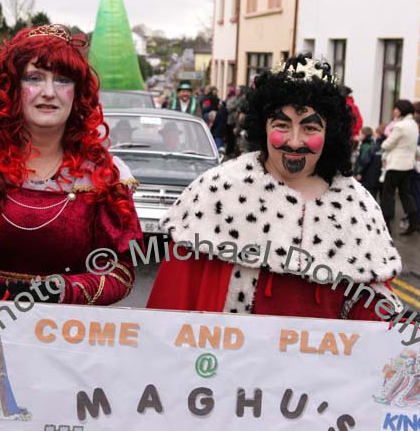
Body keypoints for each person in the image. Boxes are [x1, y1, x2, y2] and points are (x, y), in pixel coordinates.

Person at [0, 24, 143, 430]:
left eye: (62, 79)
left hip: (63, 348)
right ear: (11, 89)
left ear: (78, 93)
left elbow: (119, 271)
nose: (48, 92)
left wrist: (63, 291)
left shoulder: (103, 177)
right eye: (34, 78)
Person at [147, 54, 403, 321]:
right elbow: (172, 304)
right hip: (229, 360)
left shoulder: (356, 205)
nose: (294, 141)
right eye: (282, 125)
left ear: (330, 133)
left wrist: (394, 325)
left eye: (310, 127)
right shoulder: (220, 189)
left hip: (321, 361)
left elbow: (368, 304)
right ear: (263, 127)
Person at [380, 99, 419, 235]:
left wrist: (385, 141)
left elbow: (386, 145)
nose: (394, 110)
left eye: (396, 108)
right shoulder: (413, 124)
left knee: (388, 195)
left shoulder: (400, 126)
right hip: (408, 165)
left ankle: (387, 225)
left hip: (395, 165)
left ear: (401, 110)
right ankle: (414, 223)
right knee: (406, 194)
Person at [354, 126, 382, 198]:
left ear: (364, 135)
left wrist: (358, 173)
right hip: (374, 178)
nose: (359, 135)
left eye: (360, 134)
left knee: (364, 197)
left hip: (366, 178)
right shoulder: (373, 145)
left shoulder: (366, 146)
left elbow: (364, 161)